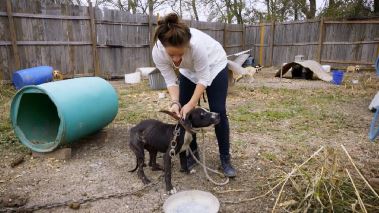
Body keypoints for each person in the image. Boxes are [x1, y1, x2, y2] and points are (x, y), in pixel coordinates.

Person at [152, 13, 236, 177]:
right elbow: (170, 80)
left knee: (219, 109)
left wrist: (192, 103)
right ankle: (193, 151)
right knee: (185, 113)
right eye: (171, 55)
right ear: (163, 48)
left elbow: (203, 78)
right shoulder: (157, 51)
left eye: (180, 54)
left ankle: (225, 158)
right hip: (189, 71)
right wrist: (176, 102)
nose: (176, 59)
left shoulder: (196, 45)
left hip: (214, 64)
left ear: (187, 45)